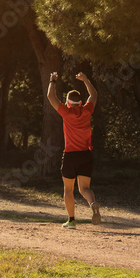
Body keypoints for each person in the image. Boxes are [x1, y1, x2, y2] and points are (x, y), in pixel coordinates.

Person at [47, 70, 100, 228]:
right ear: (80, 102)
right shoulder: (87, 111)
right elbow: (94, 95)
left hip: (70, 156)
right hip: (86, 155)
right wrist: (85, 80)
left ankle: (71, 220)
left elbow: (51, 96)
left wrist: (52, 80)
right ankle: (92, 204)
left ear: (68, 102)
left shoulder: (66, 112)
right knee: (85, 189)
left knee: (68, 190)